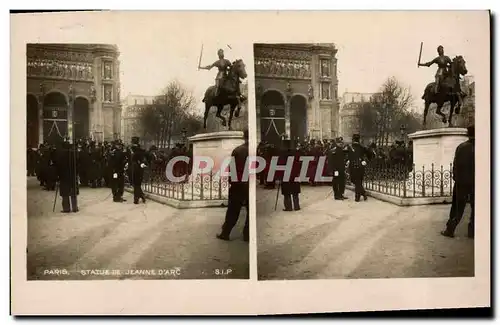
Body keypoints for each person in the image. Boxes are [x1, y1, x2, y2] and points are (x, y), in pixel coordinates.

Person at [441, 125, 475, 239]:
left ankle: (450, 229)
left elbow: (455, 165)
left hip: (462, 182)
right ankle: (472, 231)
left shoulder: (461, 147)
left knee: (457, 208)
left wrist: (457, 179)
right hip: (477, 183)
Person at [217, 129, 249, 242]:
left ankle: (226, 232)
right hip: (250, 184)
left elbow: (232, 168)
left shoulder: (238, 150)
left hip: (238, 184)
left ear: (244, 137)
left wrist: (232, 182)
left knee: (233, 210)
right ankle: (247, 234)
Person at [55, 139, 79, 213]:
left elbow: (58, 166)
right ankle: (75, 207)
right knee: (73, 192)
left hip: (64, 176)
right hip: (72, 175)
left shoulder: (60, 155)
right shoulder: (73, 154)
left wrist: (58, 176)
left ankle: (66, 208)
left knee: (65, 193)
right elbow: (77, 164)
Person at [278, 139, 301, 211]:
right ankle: (296, 206)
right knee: (295, 192)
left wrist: (279, 176)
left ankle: (288, 207)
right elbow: (299, 164)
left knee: (286, 192)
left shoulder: (281, 154)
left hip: (285, 175)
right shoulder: (296, 153)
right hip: (294, 174)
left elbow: (279, 166)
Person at [346, 134, 369, 202]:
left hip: (353, 166)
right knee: (358, 182)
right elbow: (370, 154)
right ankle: (363, 193)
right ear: (359, 139)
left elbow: (347, 157)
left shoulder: (349, 147)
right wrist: (365, 161)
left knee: (356, 182)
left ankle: (357, 196)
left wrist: (347, 161)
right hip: (360, 166)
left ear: (353, 139)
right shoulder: (362, 147)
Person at [130, 136, 147, 204]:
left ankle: (136, 198)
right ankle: (141, 195)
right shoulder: (140, 149)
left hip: (136, 168)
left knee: (136, 184)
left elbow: (133, 159)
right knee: (137, 184)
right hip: (140, 168)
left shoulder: (135, 150)